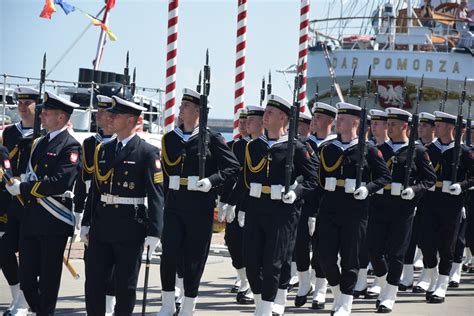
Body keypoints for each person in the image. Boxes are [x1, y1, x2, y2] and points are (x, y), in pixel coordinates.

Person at [228, 94, 318, 316]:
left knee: (274, 261)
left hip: (282, 212)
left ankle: (266, 308)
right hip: (256, 208)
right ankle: (262, 303)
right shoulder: (254, 146)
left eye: (269, 113)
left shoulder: (296, 147)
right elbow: (245, 179)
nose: (264, 116)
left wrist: (296, 193)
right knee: (251, 259)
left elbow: (312, 179)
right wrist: (238, 206)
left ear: (282, 118)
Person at [158, 88, 239, 316]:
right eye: (181, 105)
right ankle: (166, 304)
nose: (181, 108)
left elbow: (233, 167)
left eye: (186, 105)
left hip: (198, 206)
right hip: (174, 204)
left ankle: (188, 306)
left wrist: (212, 181)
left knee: (194, 257)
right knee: (169, 254)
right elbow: (163, 173)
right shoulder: (170, 139)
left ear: (198, 111)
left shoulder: (211, 138)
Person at [84, 95, 165, 315]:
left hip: (130, 226)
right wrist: (86, 222)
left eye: (116, 115)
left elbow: (156, 195)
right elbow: (96, 190)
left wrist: (154, 232)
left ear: (130, 120)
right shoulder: (104, 149)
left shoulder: (147, 152)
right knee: (94, 284)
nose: (111, 118)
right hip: (102, 225)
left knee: (125, 286)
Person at [5, 91, 82, 315]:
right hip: (31, 218)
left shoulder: (71, 146)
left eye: (47, 112)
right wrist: (17, 183)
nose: (42, 115)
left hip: (54, 220)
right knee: (27, 279)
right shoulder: (40, 143)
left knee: (48, 280)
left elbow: (59, 182)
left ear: (61, 117)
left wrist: (24, 188)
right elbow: (31, 175)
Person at [317, 102, 391, 315]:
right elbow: (317, 176)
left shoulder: (368, 149)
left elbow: (384, 176)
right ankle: (338, 295)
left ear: (355, 123)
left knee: (350, 257)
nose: (338, 121)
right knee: (325, 257)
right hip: (329, 208)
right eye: (338, 118)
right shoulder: (328, 148)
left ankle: (345, 303)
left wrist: (367, 189)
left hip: (355, 210)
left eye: (342, 119)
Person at [367, 108, 436, 312]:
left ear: (405, 126)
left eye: (393, 124)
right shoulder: (380, 149)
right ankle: (385, 279)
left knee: (396, 253)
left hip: (402, 209)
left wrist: (414, 190)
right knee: (373, 249)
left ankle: (389, 294)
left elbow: (430, 179)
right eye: (387, 124)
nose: (389, 127)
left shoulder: (417, 151)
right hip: (379, 206)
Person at [418, 110, 474, 304]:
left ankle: (442, 284)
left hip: (451, 202)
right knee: (426, 243)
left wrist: (462, 185)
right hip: (429, 201)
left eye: (440, 125)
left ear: (451, 128)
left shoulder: (464, 151)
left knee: (447, 245)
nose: (436, 128)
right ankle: (433, 276)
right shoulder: (427, 150)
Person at [293, 102, 337, 310]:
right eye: (314, 116)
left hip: (328, 204)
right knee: (300, 245)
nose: (314, 120)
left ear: (330, 121)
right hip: (304, 202)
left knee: (323, 249)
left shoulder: (337, 145)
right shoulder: (303, 144)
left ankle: (320, 289)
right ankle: (304, 283)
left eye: (319, 117)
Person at [0, 87, 39, 316]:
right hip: (10, 198)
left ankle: (26, 302)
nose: (23, 108)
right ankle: (17, 297)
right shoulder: (10, 134)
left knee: (29, 254)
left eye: (28, 104)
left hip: (33, 199)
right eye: (20, 104)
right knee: (4, 251)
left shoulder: (43, 132)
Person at [77, 95, 117, 316]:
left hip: (115, 208)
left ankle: (109, 306)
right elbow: (84, 178)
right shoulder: (90, 143)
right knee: (90, 260)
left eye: (103, 112)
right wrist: (78, 209)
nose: (98, 116)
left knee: (112, 264)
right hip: (93, 207)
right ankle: (93, 306)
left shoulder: (121, 144)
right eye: (98, 112)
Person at [218, 107, 254, 305]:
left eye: (246, 121)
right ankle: (242, 277)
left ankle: (248, 283)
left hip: (254, 201)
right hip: (235, 200)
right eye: (241, 121)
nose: (242, 124)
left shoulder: (260, 146)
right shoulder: (234, 146)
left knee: (251, 245)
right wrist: (223, 200)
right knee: (232, 241)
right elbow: (230, 176)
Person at [402, 112, 437, 293]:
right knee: (409, 240)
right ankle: (407, 277)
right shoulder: (412, 147)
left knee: (427, 242)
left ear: (434, 128)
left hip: (432, 202)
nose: (421, 128)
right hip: (413, 200)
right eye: (420, 125)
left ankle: (426, 277)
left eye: (425, 125)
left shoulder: (437, 149)